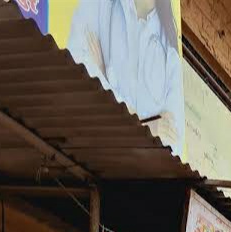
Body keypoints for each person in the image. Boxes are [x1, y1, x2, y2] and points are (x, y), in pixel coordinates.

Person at [67, 0, 184, 156]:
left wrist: (103, 77)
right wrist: (144, 125)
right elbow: (77, 67)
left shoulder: (169, 49)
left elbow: (174, 143)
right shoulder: (98, 5)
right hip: (91, 151)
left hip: (139, 170)